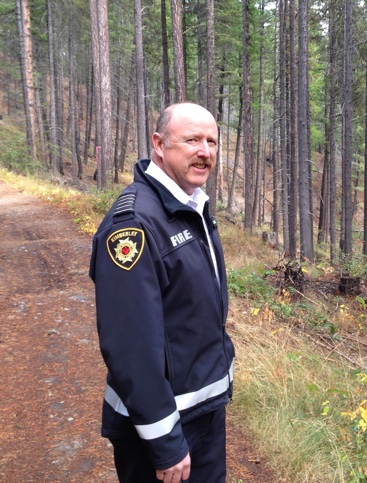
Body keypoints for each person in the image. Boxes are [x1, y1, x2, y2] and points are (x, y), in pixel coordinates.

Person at [90, 102, 234, 482]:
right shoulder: (135, 225)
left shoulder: (191, 206)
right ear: (158, 144)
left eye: (211, 141)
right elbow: (130, 347)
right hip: (161, 428)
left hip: (202, 411)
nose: (205, 151)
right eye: (191, 140)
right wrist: (165, 441)